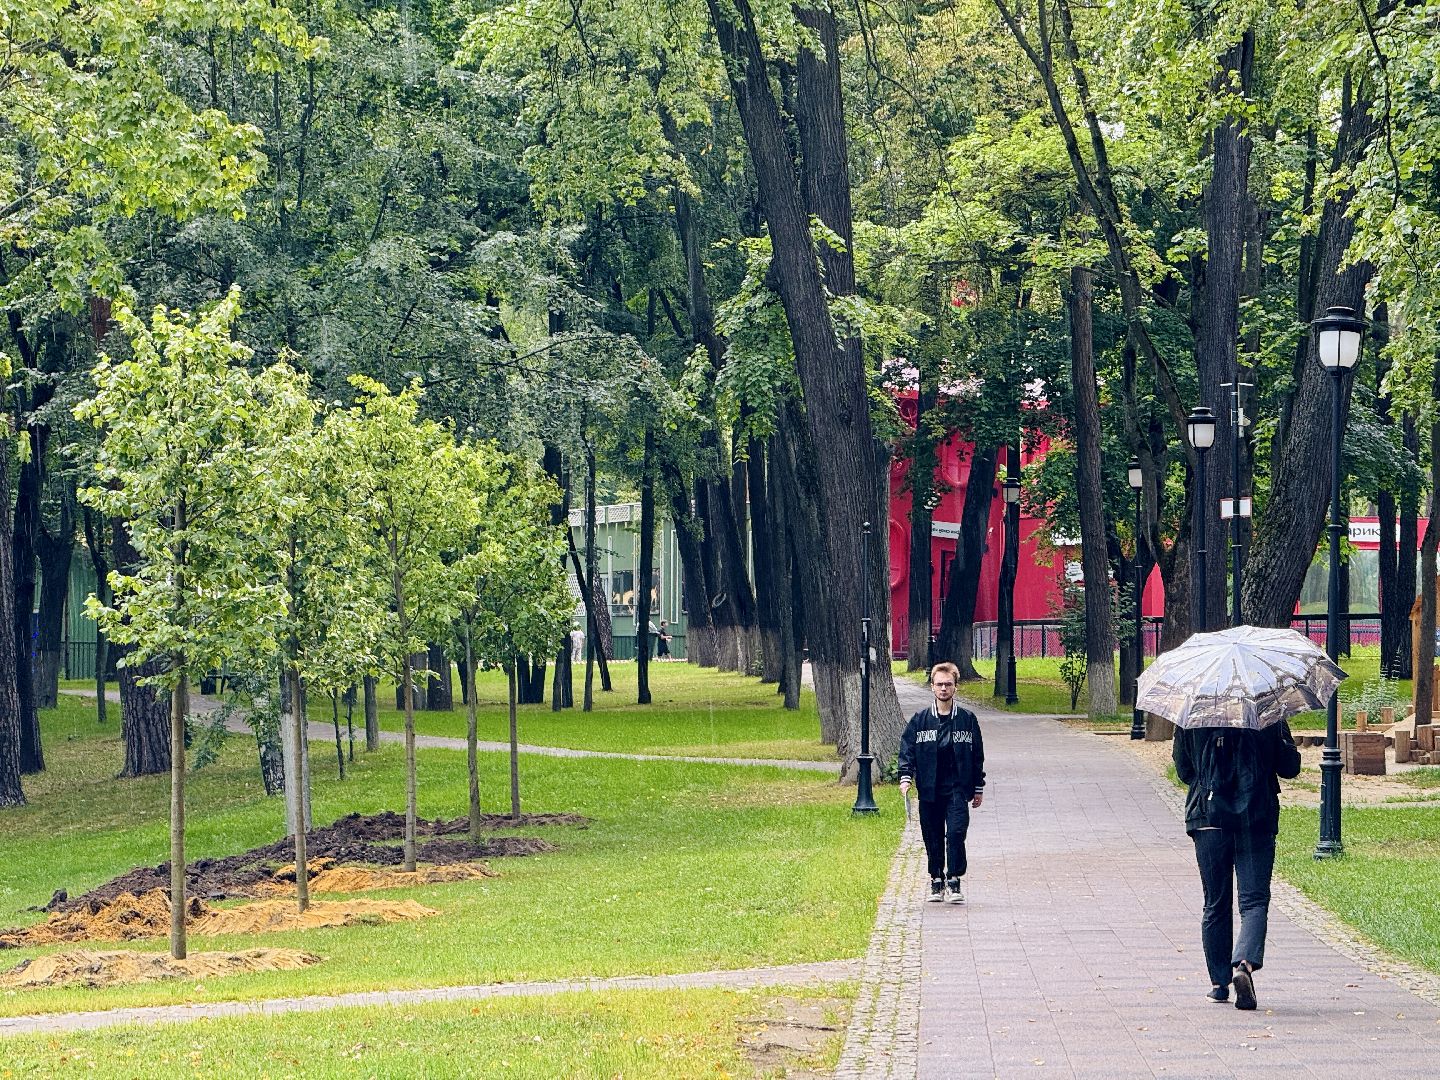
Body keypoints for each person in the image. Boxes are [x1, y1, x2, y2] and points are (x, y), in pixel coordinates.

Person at [1173, 721, 1301, 1010]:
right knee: (1254, 900)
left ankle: (1219, 985)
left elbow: (1184, 770)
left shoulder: (1193, 715)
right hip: (1255, 817)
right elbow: (1289, 767)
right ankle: (1244, 963)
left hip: (1207, 817)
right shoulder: (1266, 712)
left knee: (1215, 903)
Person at [898, 662, 986, 904]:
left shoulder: (967, 719)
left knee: (956, 833)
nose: (943, 688)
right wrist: (905, 777)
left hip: (957, 788)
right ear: (932, 687)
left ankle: (954, 879)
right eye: (939, 684)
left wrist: (978, 787)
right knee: (932, 835)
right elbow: (907, 751)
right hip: (929, 789)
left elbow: (977, 755)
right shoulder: (920, 720)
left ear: (956, 687)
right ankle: (936, 880)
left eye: (948, 684)